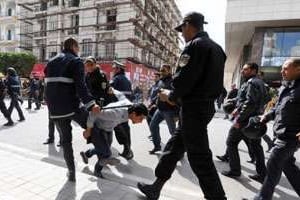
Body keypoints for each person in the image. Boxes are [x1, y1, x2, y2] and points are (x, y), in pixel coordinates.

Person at [137, 12, 227, 200]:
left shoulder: (194, 46)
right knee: (173, 148)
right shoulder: (218, 49)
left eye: (182, 29)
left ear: (188, 25)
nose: (181, 34)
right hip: (203, 107)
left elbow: (185, 79)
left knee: (199, 157)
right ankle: (156, 187)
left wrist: (171, 95)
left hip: (193, 108)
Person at [44, 38, 100, 182]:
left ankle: (71, 172)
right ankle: (102, 157)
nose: (79, 50)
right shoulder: (75, 61)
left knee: (66, 141)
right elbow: (81, 87)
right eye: (78, 47)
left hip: (55, 109)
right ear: (73, 46)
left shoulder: (50, 61)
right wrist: (91, 104)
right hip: (71, 106)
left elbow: (48, 85)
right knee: (94, 127)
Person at [255, 58, 300, 200]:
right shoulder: (286, 87)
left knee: (273, 165)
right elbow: (278, 107)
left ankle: (262, 198)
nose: (282, 71)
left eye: (286, 68)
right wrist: (266, 116)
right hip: (279, 133)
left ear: (298, 69)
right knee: (288, 167)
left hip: (290, 137)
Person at [82, 90, 148, 177]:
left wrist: (112, 89)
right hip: (98, 128)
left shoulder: (129, 105)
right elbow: (93, 113)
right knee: (107, 153)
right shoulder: (115, 114)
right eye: (141, 118)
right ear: (134, 113)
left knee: (104, 149)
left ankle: (87, 154)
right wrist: (88, 130)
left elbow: (121, 95)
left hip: (109, 128)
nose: (141, 122)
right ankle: (97, 171)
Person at [221, 63, 267, 183]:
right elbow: (250, 100)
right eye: (242, 69)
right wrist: (236, 103)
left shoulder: (252, 82)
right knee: (256, 146)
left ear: (253, 71)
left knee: (231, 142)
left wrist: (239, 119)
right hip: (253, 120)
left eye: (245, 69)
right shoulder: (260, 83)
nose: (242, 71)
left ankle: (235, 170)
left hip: (246, 120)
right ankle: (262, 174)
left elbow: (250, 103)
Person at [148, 64, 179, 154]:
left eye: (164, 71)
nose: (161, 72)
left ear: (169, 71)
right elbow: (158, 94)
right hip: (160, 109)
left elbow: (176, 98)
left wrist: (167, 100)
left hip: (169, 110)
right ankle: (157, 146)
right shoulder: (161, 81)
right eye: (161, 70)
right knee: (153, 126)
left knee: (173, 132)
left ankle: (178, 150)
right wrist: (152, 103)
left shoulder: (173, 81)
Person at [110, 60, 134, 160]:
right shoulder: (127, 80)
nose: (113, 70)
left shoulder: (116, 79)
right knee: (125, 128)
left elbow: (109, 91)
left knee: (119, 129)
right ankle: (127, 149)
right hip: (126, 108)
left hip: (118, 109)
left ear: (119, 69)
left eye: (114, 68)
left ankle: (127, 150)